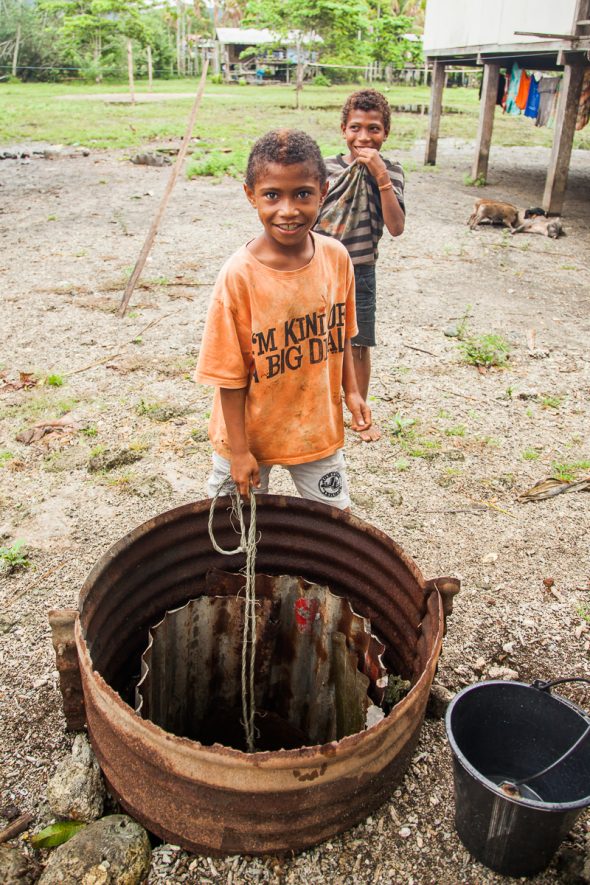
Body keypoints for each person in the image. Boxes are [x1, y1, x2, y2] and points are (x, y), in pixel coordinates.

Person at [196, 129, 372, 509]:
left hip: (315, 430)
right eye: (272, 195)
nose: (288, 210)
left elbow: (340, 334)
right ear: (250, 195)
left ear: (324, 191)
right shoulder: (238, 276)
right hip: (247, 437)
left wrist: (353, 391)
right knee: (233, 524)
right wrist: (240, 453)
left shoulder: (336, 258)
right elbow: (229, 375)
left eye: (303, 194)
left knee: (333, 520)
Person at [315, 88, 405, 442]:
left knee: (358, 343)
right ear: (343, 129)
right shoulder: (326, 169)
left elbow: (396, 227)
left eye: (374, 129)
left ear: (386, 133)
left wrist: (380, 175)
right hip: (318, 265)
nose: (364, 137)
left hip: (360, 270)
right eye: (355, 127)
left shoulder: (392, 172)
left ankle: (359, 410)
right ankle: (319, 408)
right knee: (315, 339)